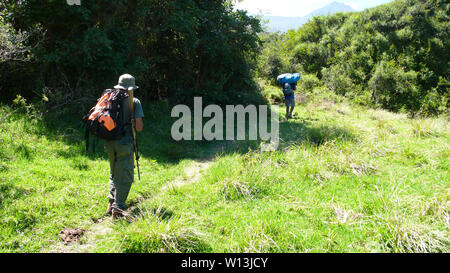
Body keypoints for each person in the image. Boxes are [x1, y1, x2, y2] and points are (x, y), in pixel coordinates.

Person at [105, 74, 144, 219]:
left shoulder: (109, 98)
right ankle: (118, 207)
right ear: (131, 87)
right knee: (125, 174)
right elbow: (139, 127)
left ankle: (111, 201)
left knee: (114, 171)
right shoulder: (134, 101)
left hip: (109, 141)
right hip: (125, 143)